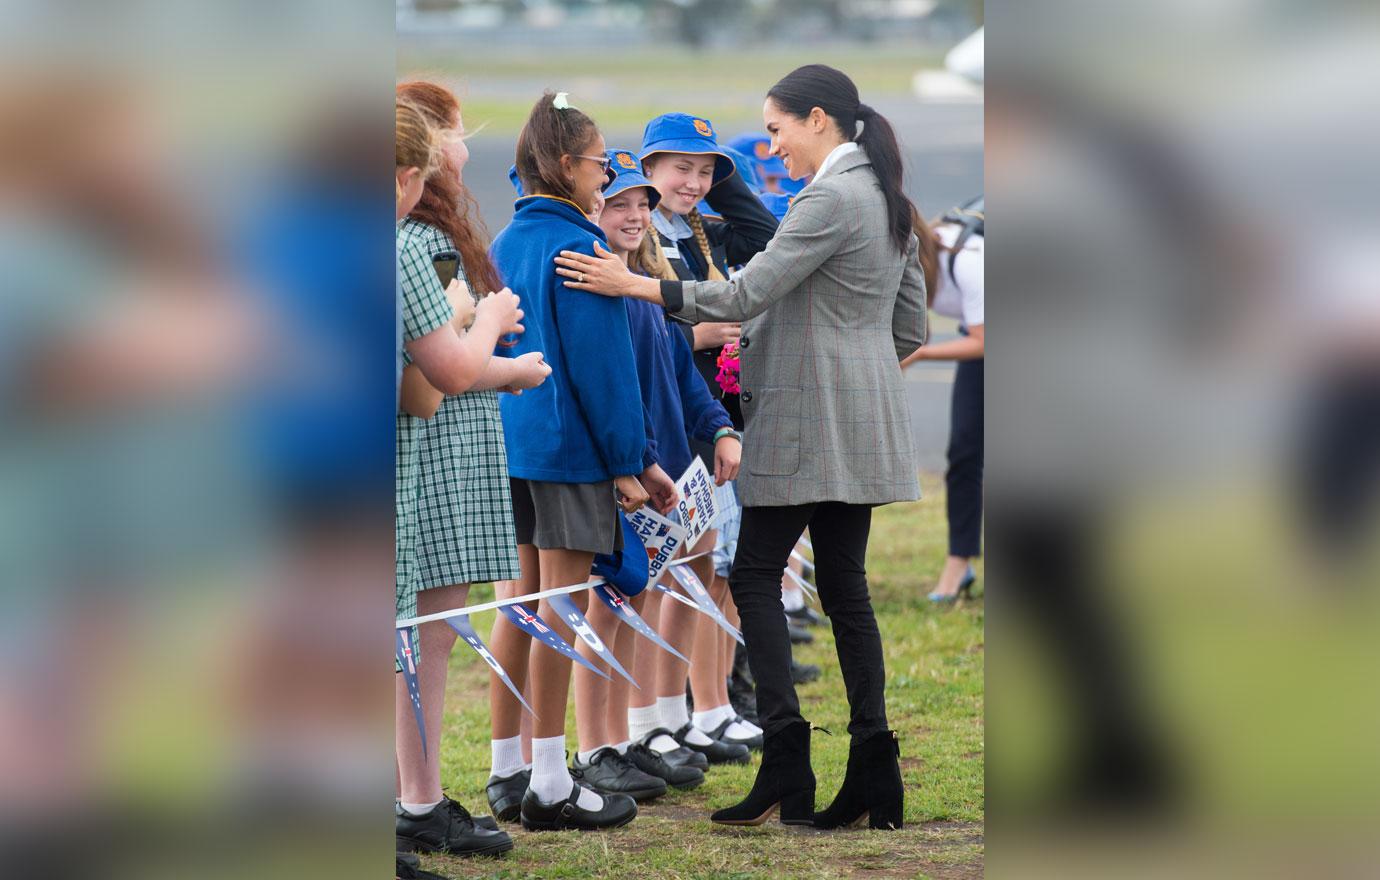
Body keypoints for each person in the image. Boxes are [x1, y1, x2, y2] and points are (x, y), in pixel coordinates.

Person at [553, 64, 927, 830]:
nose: (772, 143)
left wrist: (638, 288)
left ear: (816, 118)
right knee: (846, 590)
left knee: (753, 575)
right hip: (860, 425)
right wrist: (855, 369)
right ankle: (872, 772)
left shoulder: (829, 194)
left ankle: (788, 765)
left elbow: (747, 294)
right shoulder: (887, 194)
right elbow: (912, 328)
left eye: (777, 127)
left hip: (800, 423)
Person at [485, 91, 675, 833]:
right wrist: (633, 462)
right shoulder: (584, 248)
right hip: (569, 452)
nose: (605, 179)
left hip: (515, 445)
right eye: (600, 165)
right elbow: (604, 374)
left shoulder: (504, 240)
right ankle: (553, 782)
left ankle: (508, 767)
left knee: (520, 606)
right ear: (566, 165)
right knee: (561, 614)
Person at [394, 82, 552, 858]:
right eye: (455, 134)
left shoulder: (423, 235)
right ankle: (416, 798)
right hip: (432, 453)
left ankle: (418, 795)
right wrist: (498, 347)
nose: (463, 150)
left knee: (428, 632)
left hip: (440, 448)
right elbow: (429, 383)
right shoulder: (420, 242)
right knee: (421, 635)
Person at [570, 148, 743, 799]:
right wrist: (633, 464)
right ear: (594, 206)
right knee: (612, 607)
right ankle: (609, 741)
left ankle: (643, 728)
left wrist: (721, 429)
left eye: (644, 204)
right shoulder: (602, 287)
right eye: (621, 203)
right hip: (633, 472)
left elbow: (679, 379)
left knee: (656, 598)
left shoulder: (644, 285)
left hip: (671, 467)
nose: (637, 214)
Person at [630, 112, 779, 760]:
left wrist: (723, 180)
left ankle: (690, 709)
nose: (693, 182)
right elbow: (636, 332)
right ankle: (653, 718)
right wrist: (697, 336)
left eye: (704, 169)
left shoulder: (698, 234)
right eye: (679, 168)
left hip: (707, 420)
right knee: (663, 576)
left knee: (701, 566)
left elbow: (766, 235)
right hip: (666, 422)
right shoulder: (636, 233)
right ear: (645, 170)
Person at [903, 197, 984, 603]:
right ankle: (959, 562)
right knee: (965, 452)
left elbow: (983, 342)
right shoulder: (921, 264)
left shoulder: (967, 262)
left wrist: (918, 355)